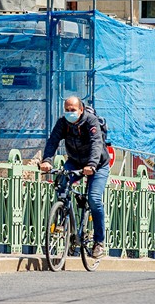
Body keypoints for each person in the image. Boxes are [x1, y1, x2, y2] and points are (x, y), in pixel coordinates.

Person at [39, 96, 110, 258]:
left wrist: (91, 165)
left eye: (73, 110)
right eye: (67, 110)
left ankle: (99, 242)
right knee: (61, 185)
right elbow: (52, 141)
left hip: (98, 165)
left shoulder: (90, 122)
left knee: (94, 199)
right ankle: (63, 223)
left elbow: (96, 143)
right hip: (75, 162)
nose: (69, 113)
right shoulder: (63, 123)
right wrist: (47, 160)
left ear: (81, 110)